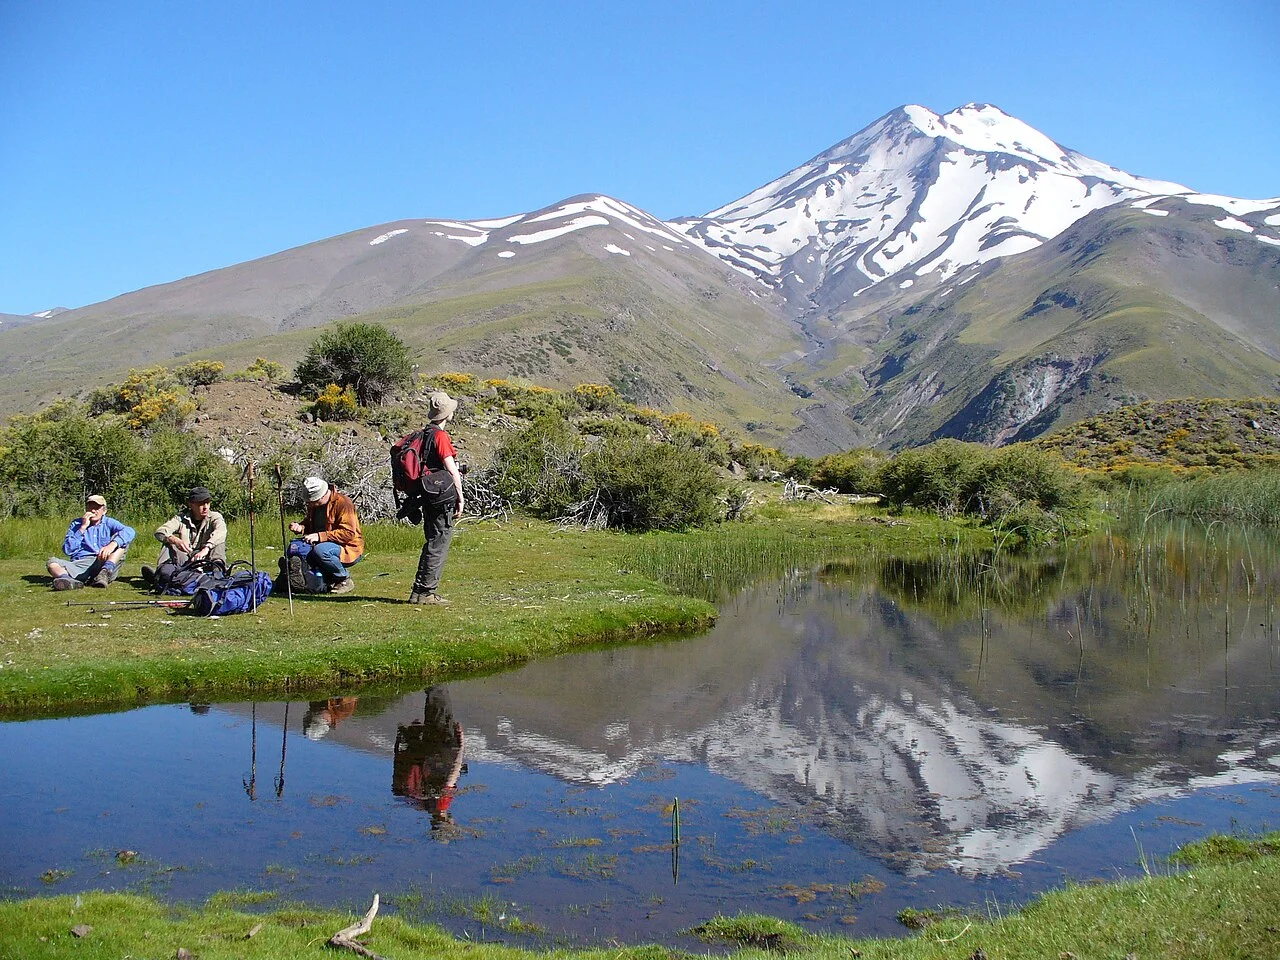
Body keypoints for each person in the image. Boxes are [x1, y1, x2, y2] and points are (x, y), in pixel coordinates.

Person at [409, 391, 465, 605]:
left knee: (432, 540)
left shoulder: (424, 434)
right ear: (447, 414)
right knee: (439, 542)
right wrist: (460, 496)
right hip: (441, 496)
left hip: (428, 494)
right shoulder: (440, 436)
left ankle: (419, 591)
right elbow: (452, 470)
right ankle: (425, 593)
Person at [283, 475, 364, 594]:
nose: (310, 504)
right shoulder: (315, 506)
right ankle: (306, 579)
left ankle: (344, 579)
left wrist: (319, 536)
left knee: (321, 551)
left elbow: (348, 533)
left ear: (320, 496)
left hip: (347, 547)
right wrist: (301, 527)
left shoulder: (344, 503)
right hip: (323, 543)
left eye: (312, 501)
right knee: (297, 548)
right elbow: (312, 525)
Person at [46, 494, 136, 590]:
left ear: (104, 511)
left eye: (97, 508)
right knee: (52, 563)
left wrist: (112, 544)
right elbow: (68, 550)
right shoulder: (77, 524)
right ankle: (68, 581)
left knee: (122, 542)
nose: (93, 511)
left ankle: (104, 574)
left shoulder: (109, 522)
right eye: (90, 507)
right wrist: (83, 527)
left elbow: (130, 531)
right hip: (81, 564)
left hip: (102, 561)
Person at [143, 486, 227, 586]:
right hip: (187, 559)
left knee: (219, 542)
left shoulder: (215, 517)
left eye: (207, 503)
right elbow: (160, 532)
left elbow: (221, 531)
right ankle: (162, 572)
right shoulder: (181, 519)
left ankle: (218, 574)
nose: (205, 507)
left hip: (208, 559)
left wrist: (207, 548)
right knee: (168, 543)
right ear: (191, 505)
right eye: (201, 504)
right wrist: (174, 540)